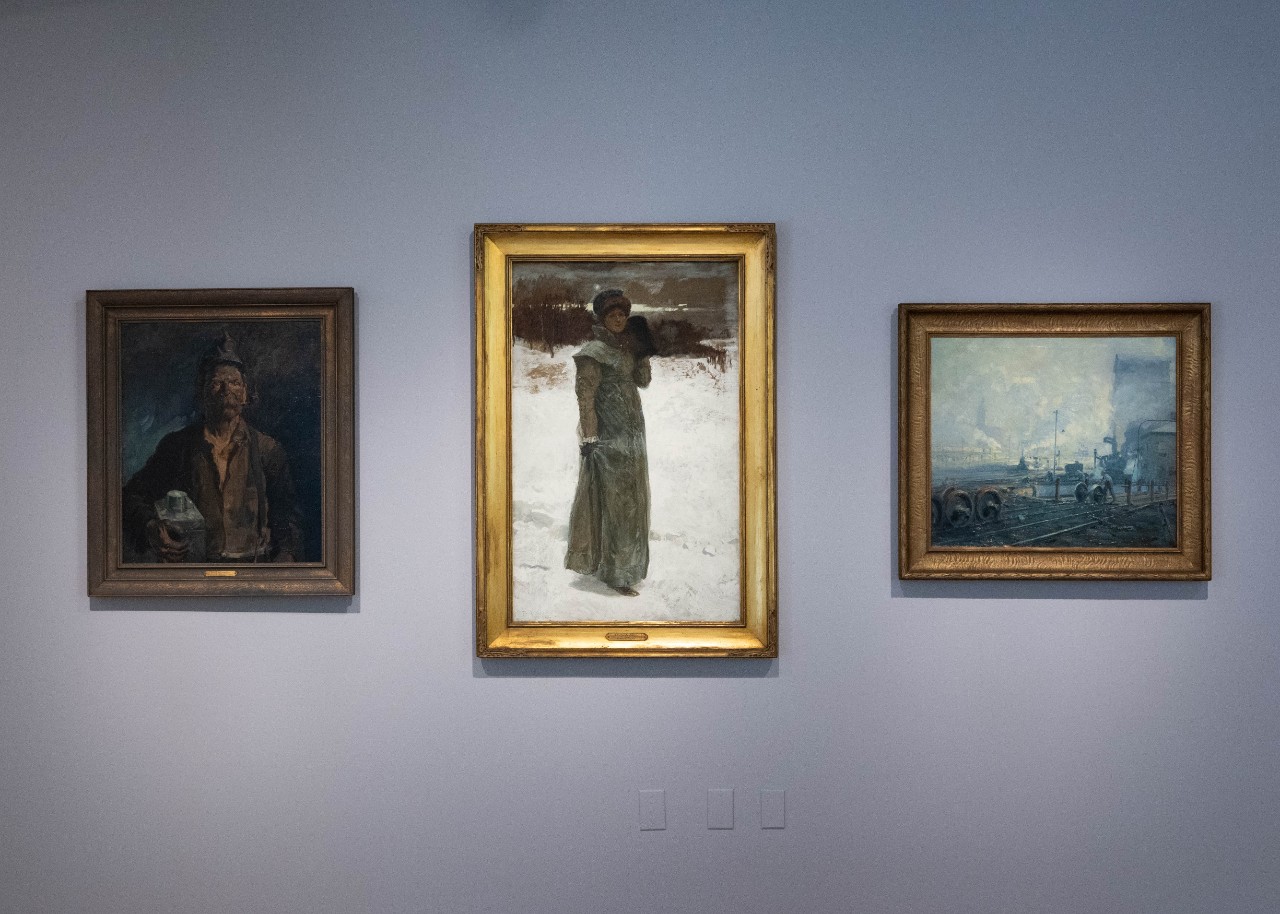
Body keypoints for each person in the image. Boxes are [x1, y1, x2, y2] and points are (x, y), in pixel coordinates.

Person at [122, 333, 303, 563]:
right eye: (217, 382)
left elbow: (288, 519)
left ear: (245, 393)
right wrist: (151, 528)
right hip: (193, 571)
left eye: (234, 383)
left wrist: (286, 558)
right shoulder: (178, 447)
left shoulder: (268, 450)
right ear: (202, 392)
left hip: (253, 569)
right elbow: (131, 497)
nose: (226, 390)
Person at [564, 289, 655, 595]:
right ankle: (616, 573)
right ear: (602, 318)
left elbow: (643, 382)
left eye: (623, 315)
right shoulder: (593, 352)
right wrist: (589, 435)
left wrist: (643, 353)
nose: (619, 320)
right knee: (615, 502)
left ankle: (630, 568)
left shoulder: (628, 347)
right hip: (608, 435)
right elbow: (585, 397)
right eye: (613, 315)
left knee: (634, 499)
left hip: (633, 434)